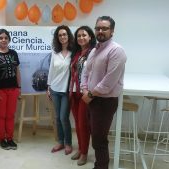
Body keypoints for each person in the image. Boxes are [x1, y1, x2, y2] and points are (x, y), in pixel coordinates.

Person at [80, 16, 127, 169]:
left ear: (112, 31)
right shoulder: (94, 50)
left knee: (99, 140)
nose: (100, 31)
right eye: (98, 28)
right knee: (96, 137)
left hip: (105, 102)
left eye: (104, 28)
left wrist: (90, 94)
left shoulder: (116, 51)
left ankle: (101, 167)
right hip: (91, 99)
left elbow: (109, 82)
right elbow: (86, 72)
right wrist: (84, 89)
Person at [0, 29, 21, 150]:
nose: (3, 40)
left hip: (13, 89)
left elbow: (17, 71)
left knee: (11, 115)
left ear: (9, 39)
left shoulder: (13, 53)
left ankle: (10, 138)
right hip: (0, 90)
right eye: (1, 38)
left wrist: (19, 87)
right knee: (1, 115)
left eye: (6, 38)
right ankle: (2, 139)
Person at [69, 26, 96, 166]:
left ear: (90, 37)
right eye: (78, 36)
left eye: (84, 35)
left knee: (83, 124)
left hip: (85, 93)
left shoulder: (94, 52)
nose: (81, 38)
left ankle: (85, 153)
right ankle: (80, 148)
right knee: (78, 124)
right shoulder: (77, 53)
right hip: (74, 92)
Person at [47, 25, 74, 155]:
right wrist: (48, 86)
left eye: (64, 34)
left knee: (64, 117)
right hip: (55, 89)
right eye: (60, 35)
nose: (62, 37)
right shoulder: (55, 52)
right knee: (58, 117)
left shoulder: (73, 52)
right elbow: (51, 70)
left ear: (68, 35)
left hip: (67, 90)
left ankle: (68, 143)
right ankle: (60, 142)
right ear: (57, 38)